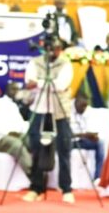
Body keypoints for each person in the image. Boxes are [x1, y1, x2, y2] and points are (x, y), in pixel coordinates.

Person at [23, 41, 75, 203]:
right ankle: (36, 188)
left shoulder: (66, 64)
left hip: (59, 111)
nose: (56, 51)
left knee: (64, 148)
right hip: (39, 109)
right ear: (47, 48)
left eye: (59, 48)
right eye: (53, 48)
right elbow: (28, 82)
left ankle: (66, 188)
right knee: (36, 149)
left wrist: (39, 83)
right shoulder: (35, 62)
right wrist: (45, 83)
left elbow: (60, 85)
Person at [69, 92, 106, 180]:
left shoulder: (87, 110)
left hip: (82, 140)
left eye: (85, 106)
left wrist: (92, 136)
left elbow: (89, 128)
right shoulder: (67, 109)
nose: (84, 108)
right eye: (82, 106)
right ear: (76, 101)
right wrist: (84, 135)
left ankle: (98, 177)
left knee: (100, 143)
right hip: (69, 141)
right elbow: (65, 134)